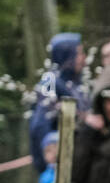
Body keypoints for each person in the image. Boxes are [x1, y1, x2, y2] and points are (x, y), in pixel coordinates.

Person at [29, 34, 88, 174]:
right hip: (57, 167)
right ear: (67, 55)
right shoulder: (50, 82)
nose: (83, 58)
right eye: (79, 53)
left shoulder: (74, 83)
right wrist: (51, 154)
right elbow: (40, 125)